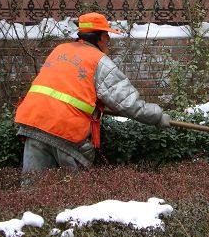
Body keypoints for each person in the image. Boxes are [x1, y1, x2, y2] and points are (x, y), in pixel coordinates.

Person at [14, 12, 170, 185]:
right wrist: (157, 116)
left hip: (33, 123)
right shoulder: (99, 61)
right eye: (107, 37)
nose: (108, 41)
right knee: (74, 194)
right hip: (65, 131)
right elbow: (127, 102)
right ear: (100, 37)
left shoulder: (60, 50)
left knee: (32, 189)